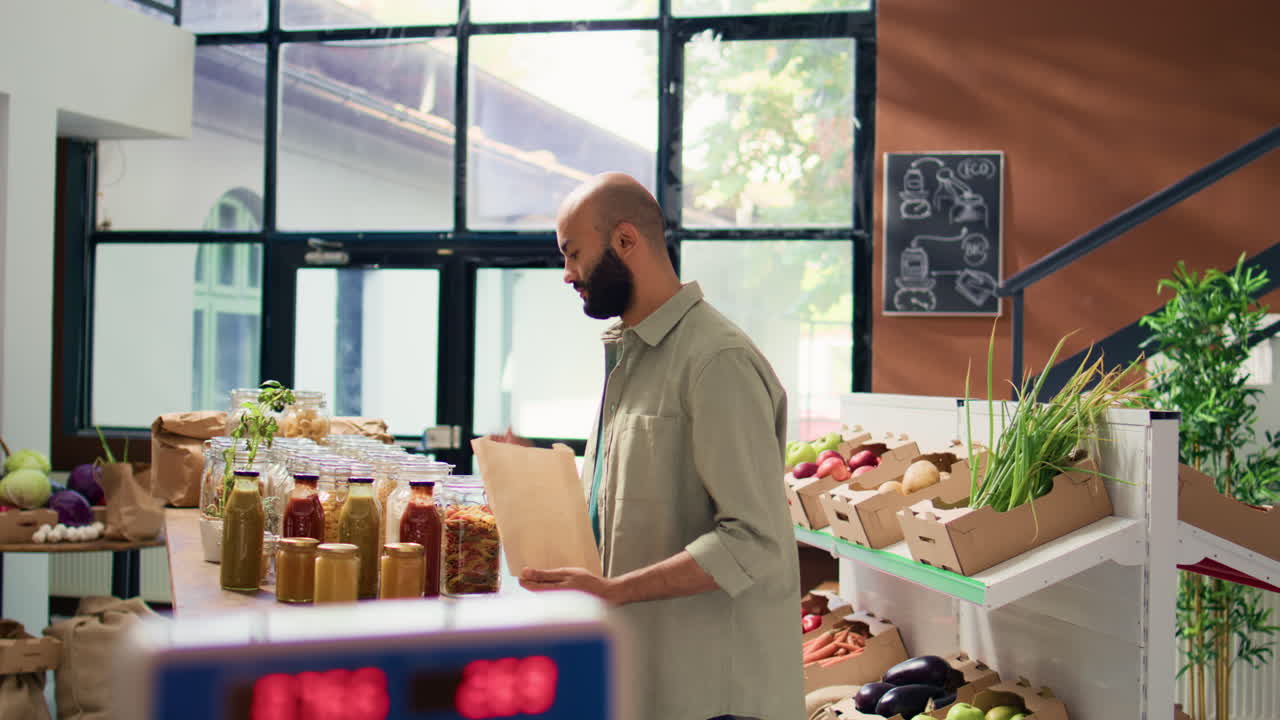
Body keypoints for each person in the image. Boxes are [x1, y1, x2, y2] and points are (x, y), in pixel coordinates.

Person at [501, 172, 803, 720]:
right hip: (651, 679)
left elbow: (754, 540)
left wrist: (614, 591)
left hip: (715, 698)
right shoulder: (631, 356)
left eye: (572, 254)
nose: (567, 274)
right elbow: (635, 498)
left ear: (624, 241)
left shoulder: (717, 361)